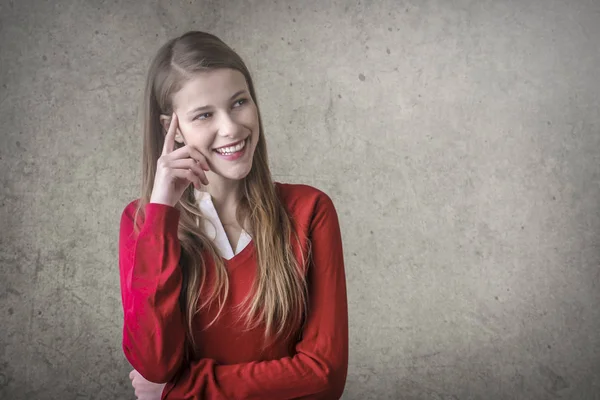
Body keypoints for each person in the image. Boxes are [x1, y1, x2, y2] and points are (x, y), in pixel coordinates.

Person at [118, 31, 348, 400]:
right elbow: (155, 364)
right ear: (170, 129)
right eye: (204, 114)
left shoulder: (311, 211)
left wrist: (185, 391)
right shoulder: (142, 222)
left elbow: (324, 376)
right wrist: (162, 212)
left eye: (239, 102)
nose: (231, 128)